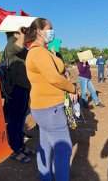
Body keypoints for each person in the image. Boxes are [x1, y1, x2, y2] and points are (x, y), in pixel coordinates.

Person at [25, 18, 78, 181]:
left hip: (44, 107)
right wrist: (72, 88)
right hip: (50, 108)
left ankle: (45, 177)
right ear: (39, 31)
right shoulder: (38, 52)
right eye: (50, 28)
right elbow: (54, 78)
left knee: (45, 145)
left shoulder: (42, 51)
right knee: (64, 149)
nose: (52, 31)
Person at [4, 25, 34, 163]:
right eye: (22, 31)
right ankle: (13, 149)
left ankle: (20, 145)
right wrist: (23, 33)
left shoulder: (22, 49)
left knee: (20, 119)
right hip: (15, 88)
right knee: (14, 121)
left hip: (24, 88)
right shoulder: (11, 45)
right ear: (15, 32)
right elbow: (19, 46)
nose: (26, 34)